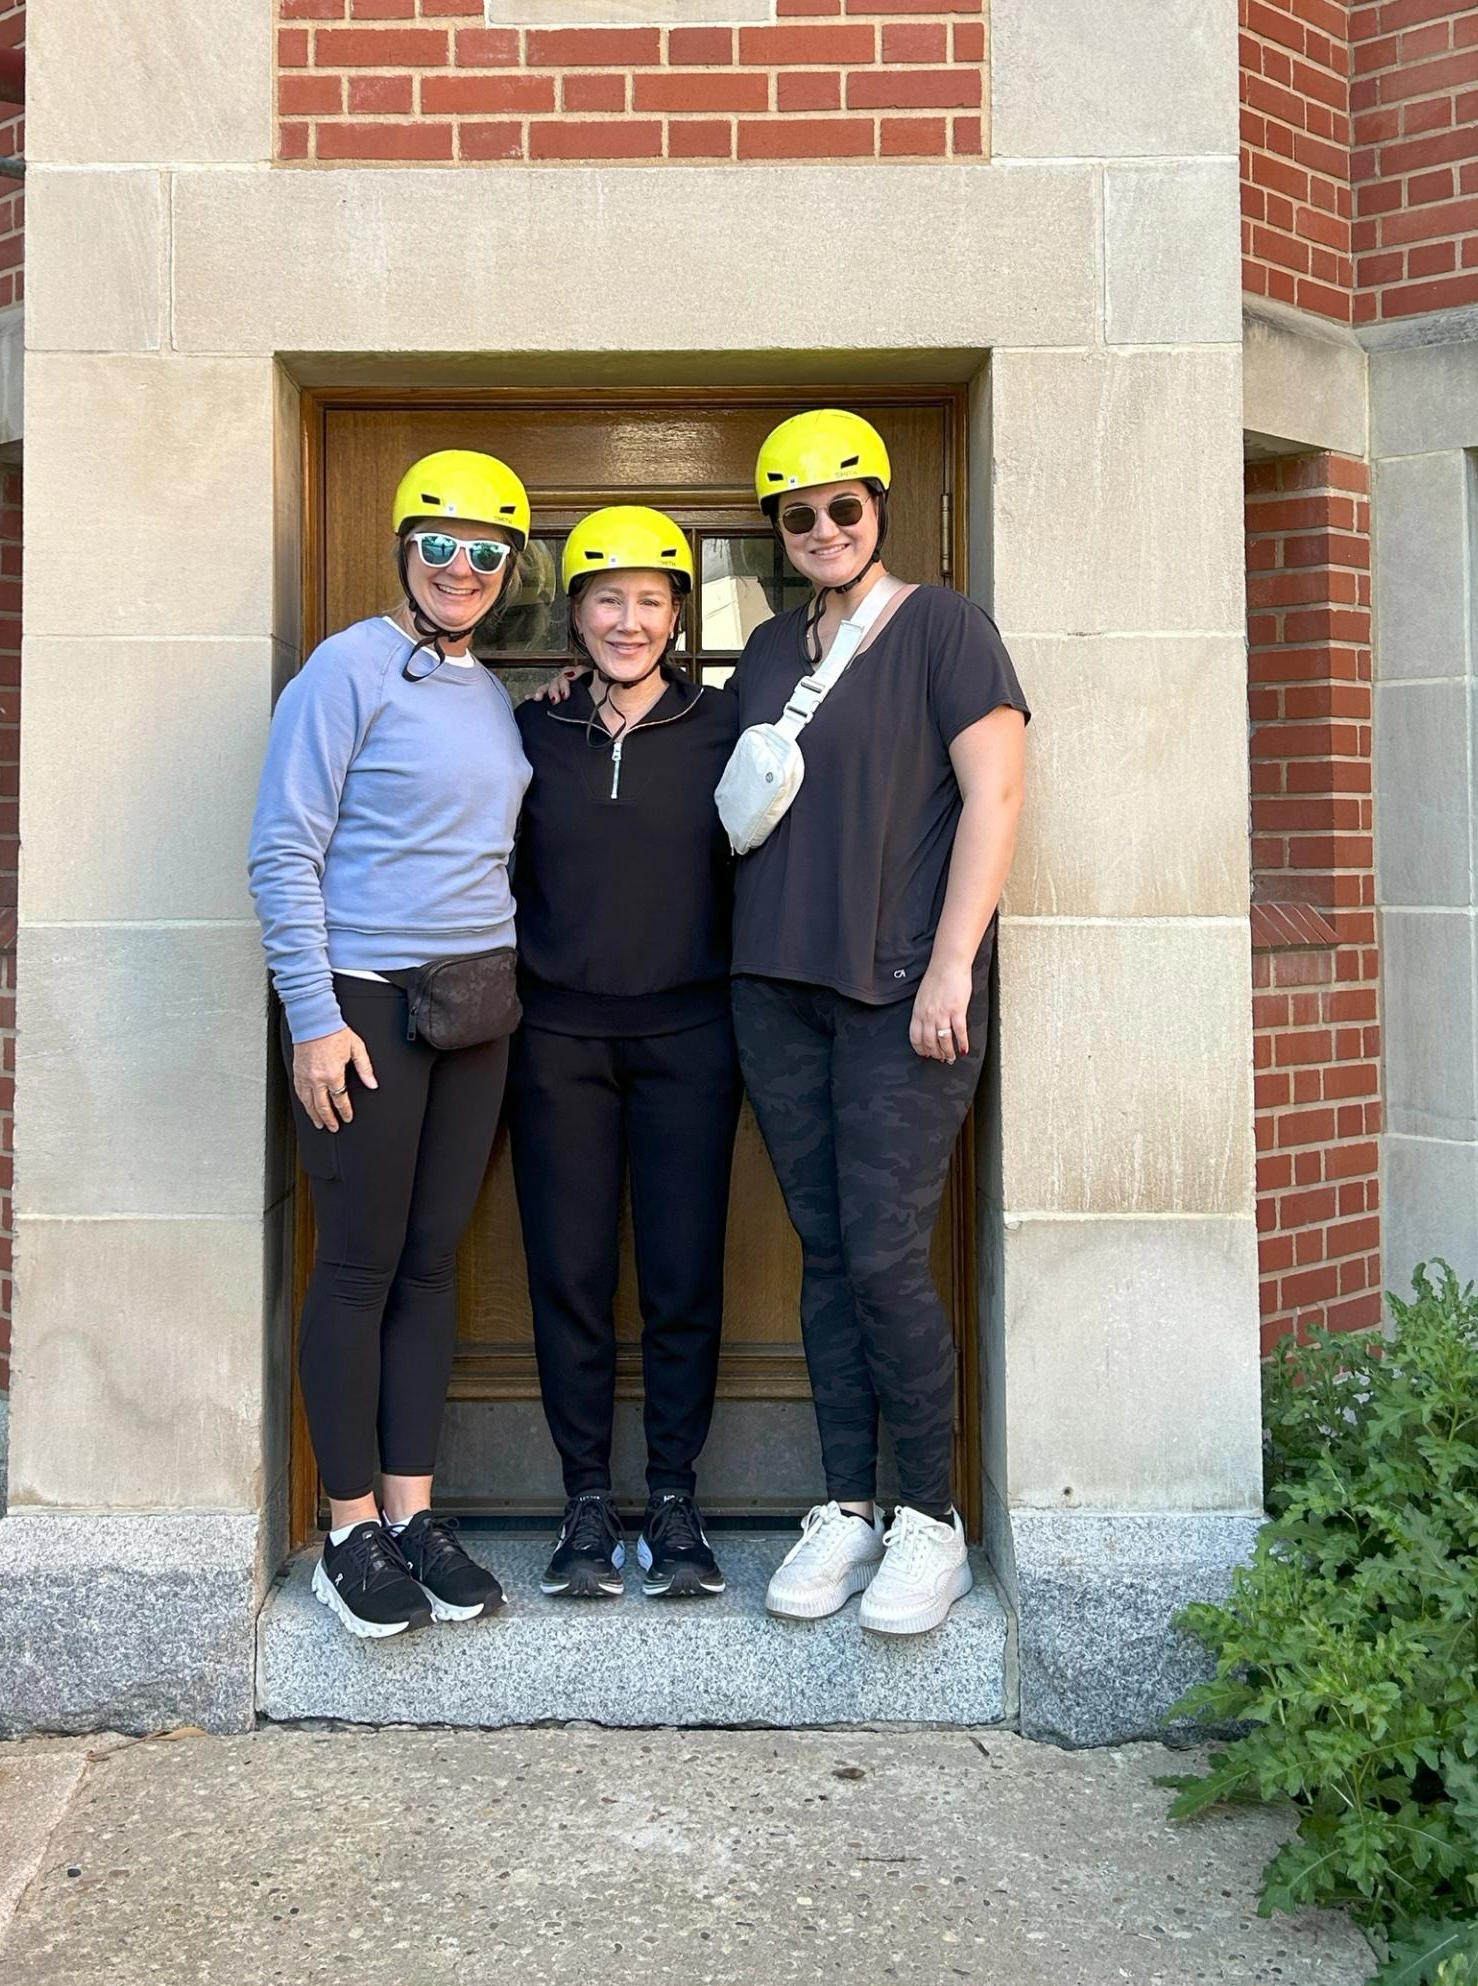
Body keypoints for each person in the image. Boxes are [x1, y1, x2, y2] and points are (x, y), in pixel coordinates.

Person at [727, 410, 1029, 1638]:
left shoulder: (946, 629)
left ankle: (933, 1522)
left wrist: (955, 960)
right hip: (776, 991)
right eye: (798, 515)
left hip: (905, 991)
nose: (824, 529)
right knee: (829, 1252)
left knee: (891, 1257)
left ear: (880, 508)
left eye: (844, 506)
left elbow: (996, 793)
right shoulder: (758, 651)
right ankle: (848, 1504)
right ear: (779, 533)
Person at [248, 449, 535, 1641]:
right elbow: (283, 849)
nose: (460, 566)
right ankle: (348, 1526)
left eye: (485, 550)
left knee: (429, 1266)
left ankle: (416, 1514)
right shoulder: (346, 668)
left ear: (509, 570)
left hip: (478, 1006)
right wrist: (313, 1017)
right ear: (403, 550)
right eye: (441, 543)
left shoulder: (491, 693)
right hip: (365, 1003)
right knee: (360, 1266)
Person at [510, 508, 742, 1601]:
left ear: (680, 614)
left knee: (684, 1277)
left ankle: (677, 1499)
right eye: (606, 597)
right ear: (576, 615)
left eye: (652, 598)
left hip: (691, 1036)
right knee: (569, 1275)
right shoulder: (530, 729)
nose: (628, 618)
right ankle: (586, 1503)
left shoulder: (728, 728)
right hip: (555, 1037)